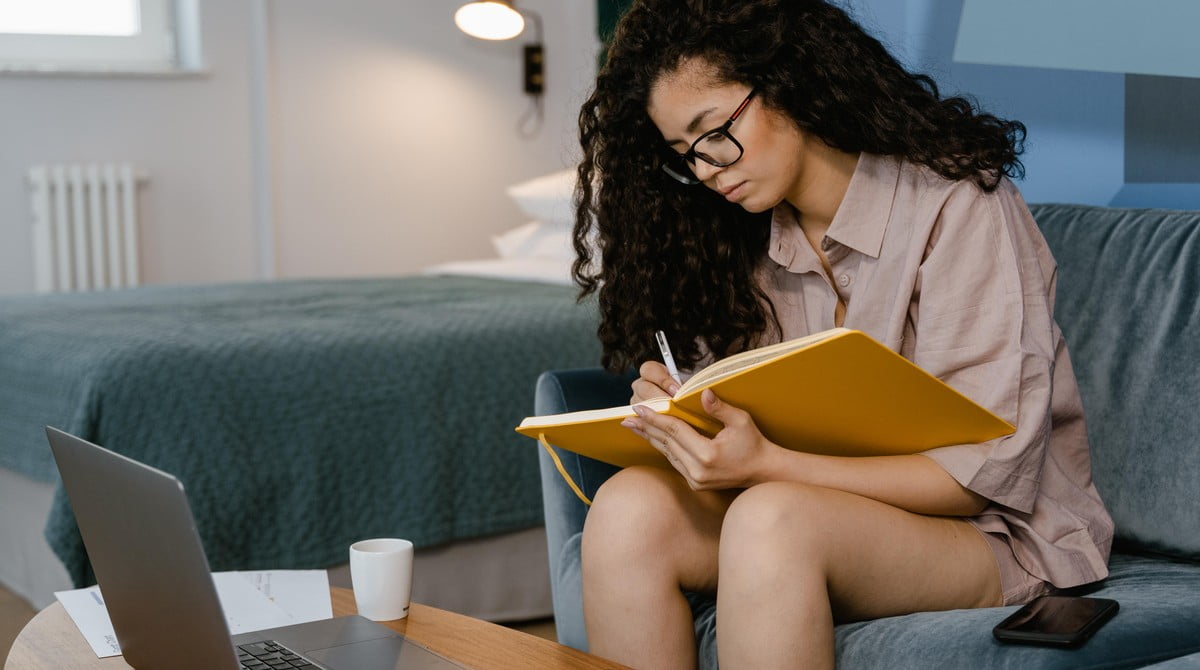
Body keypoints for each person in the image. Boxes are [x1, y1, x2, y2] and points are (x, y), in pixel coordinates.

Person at [567, 1, 1114, 668]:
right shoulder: (743, 243)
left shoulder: (957, 203)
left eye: (713, 133)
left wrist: (766, 464)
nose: (708, 169)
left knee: (772, 520)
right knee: (627, 511)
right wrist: (691, 414)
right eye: (684, 156)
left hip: (993, 532)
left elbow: (982, 476)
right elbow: (761, 429)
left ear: (789, 80)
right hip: (819, 508)